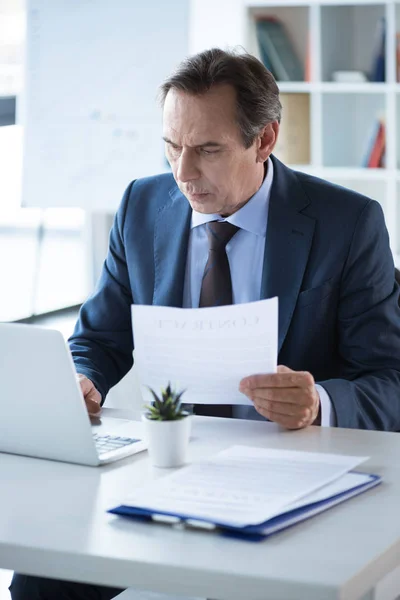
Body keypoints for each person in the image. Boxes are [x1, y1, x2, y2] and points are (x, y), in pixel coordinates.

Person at [10, 47, 400, 600]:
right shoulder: (143, 205)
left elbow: (389, 379)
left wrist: (319, 403)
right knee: (41, 580)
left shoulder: (348, 223)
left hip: (289, 479)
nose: (183, 174)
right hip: (165, 467)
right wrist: (83, 380)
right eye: (171, 147)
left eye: (207, 150)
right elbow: (98, 337)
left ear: (264, 139)